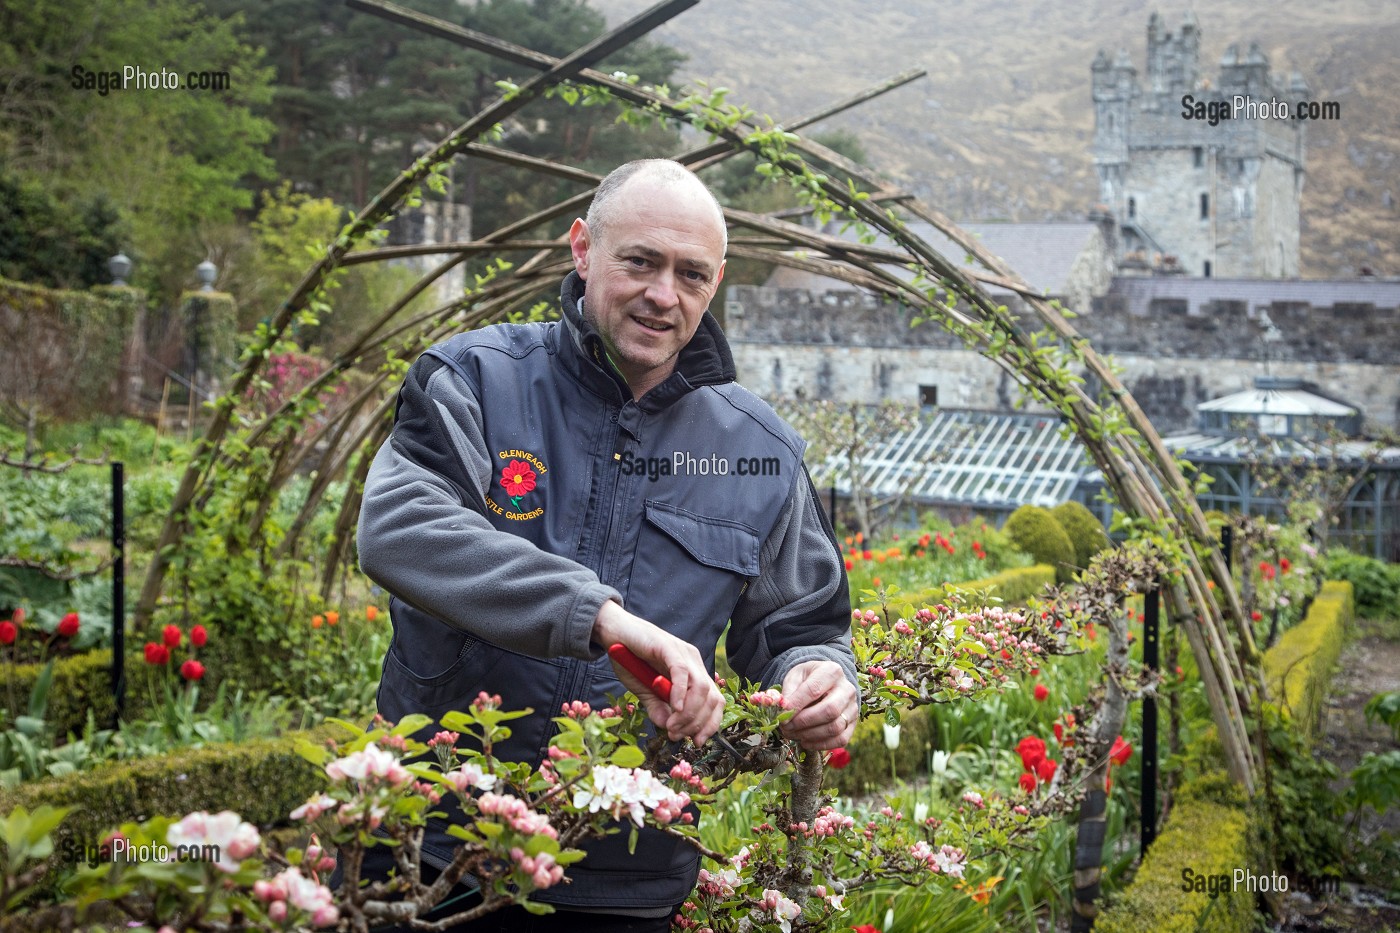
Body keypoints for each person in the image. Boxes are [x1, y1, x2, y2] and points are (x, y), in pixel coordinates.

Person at [355, 159, 858, 931]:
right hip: (436, 846)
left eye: (691, 273)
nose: (665, 294)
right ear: (582, 248)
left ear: (716, 282)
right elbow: (399, 526)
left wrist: (818, 677)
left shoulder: (760, 450)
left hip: (626, 881)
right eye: (641, 261)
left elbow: (801, 626)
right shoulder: (473, 381)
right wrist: (597, 614)